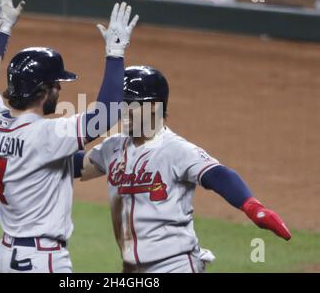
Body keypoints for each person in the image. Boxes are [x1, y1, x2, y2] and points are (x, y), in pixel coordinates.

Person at [0, 0, 139, 272]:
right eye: (56, 85)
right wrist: (115, 54)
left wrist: (3, 29)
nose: (59, 91)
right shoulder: (46, 135)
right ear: (43, 91)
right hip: (41, 260)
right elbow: (107, 112)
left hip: (6, 256)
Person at [78, 66, 291, 273]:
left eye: (130, 104)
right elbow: (76, 166)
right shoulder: (113, 147)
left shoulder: (175, 149)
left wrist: (253, 208)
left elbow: (218, 174)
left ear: (153, 106)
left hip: (174, 265)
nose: (122, 111)